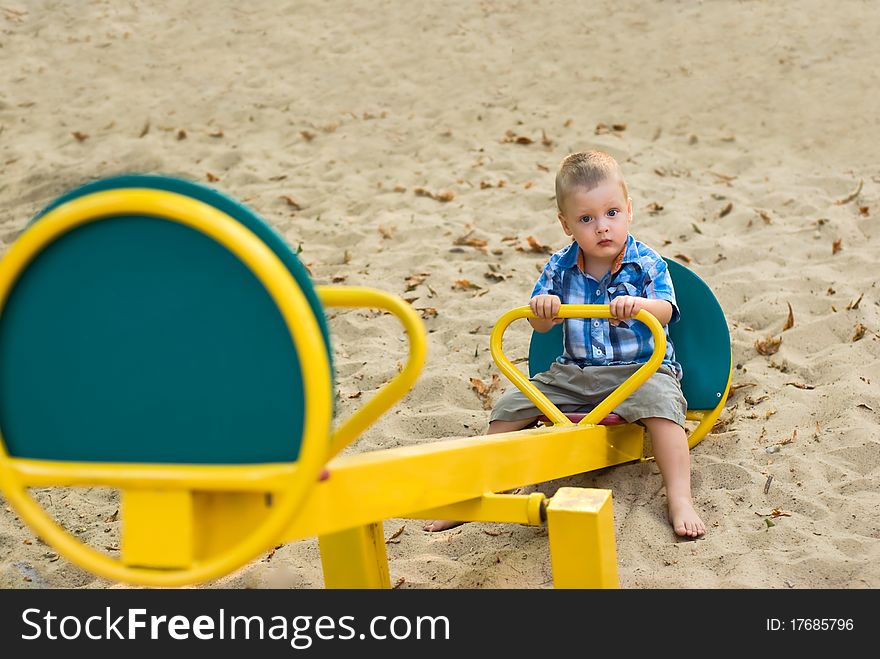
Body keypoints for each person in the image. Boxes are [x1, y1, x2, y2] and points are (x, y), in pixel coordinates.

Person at [424, 150, 705, 538]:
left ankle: (680, 497)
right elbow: (541, 326)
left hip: (641, 371)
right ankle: (479, 491)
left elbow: (666, 310)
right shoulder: (558, 266)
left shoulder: (647, 263)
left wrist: (639, 305)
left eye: (611, 213)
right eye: (586, 219)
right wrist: (544, 308)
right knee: (509, 407)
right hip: (574, 373)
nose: (602, 227)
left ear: (629, 210)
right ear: (566, 224)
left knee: (663, 410)